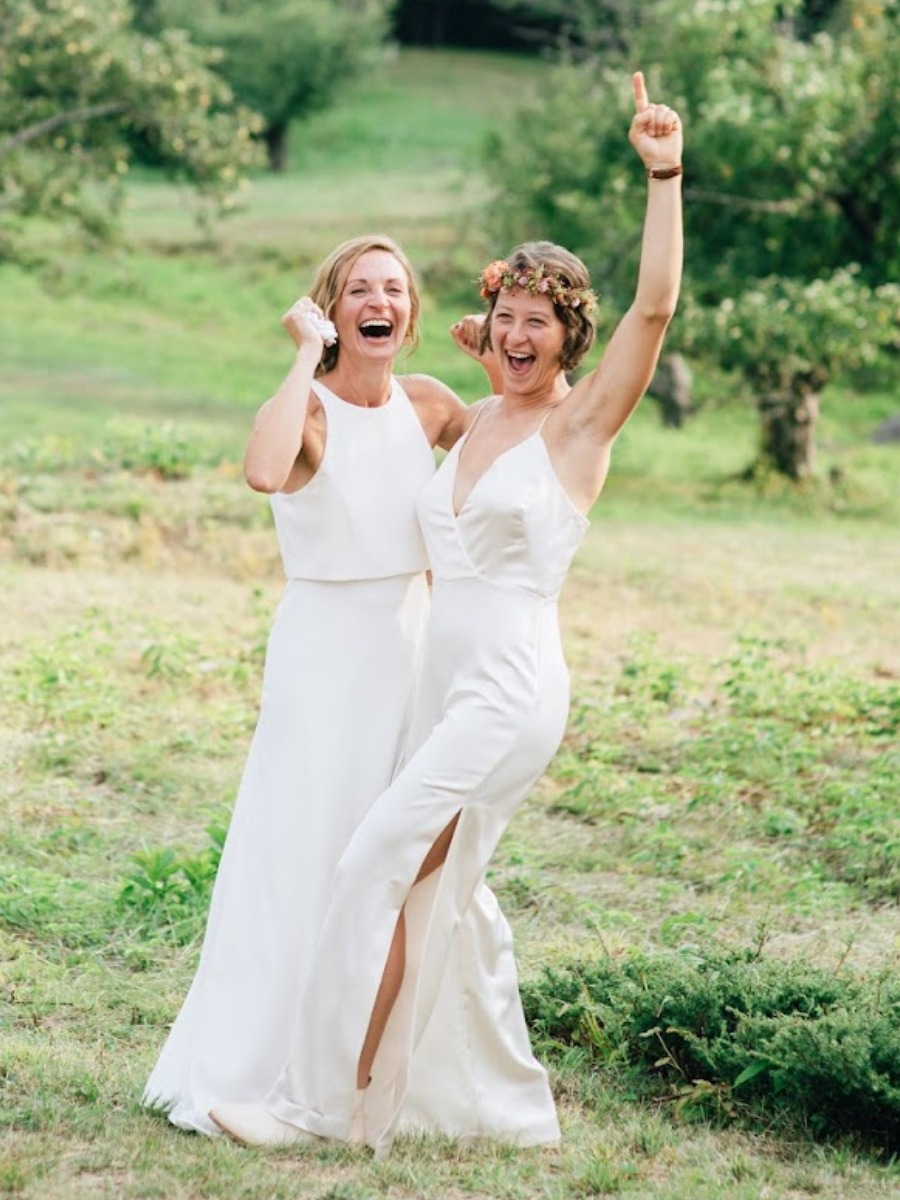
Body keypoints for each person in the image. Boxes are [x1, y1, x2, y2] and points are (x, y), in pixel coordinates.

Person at [209, 69, 683, 1155]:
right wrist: (487, 354)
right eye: (503, 319)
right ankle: (453, 1101)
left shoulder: (578, 432)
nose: (516, 336)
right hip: (438, 685)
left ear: (571, 341)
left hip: (508, 692)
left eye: (538, 326)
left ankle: (313, 1109)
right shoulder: (475, 422)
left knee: (374, 859)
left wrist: (664, 176)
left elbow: (653, 307)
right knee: (430, 893)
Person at [142, 234, 473, 1133]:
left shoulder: (432, 405)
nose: (381, 300)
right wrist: (301, 354)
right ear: (333, 309)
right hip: (322, 661)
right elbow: (260, 470)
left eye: (395, 289)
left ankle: (364, 1070)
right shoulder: (310, 414)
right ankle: (265, 1066)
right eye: (360, 288)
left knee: (389, 857)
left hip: (410, 649)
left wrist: (503, 352)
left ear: (409, 314)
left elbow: (527, 447)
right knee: (302, 854)